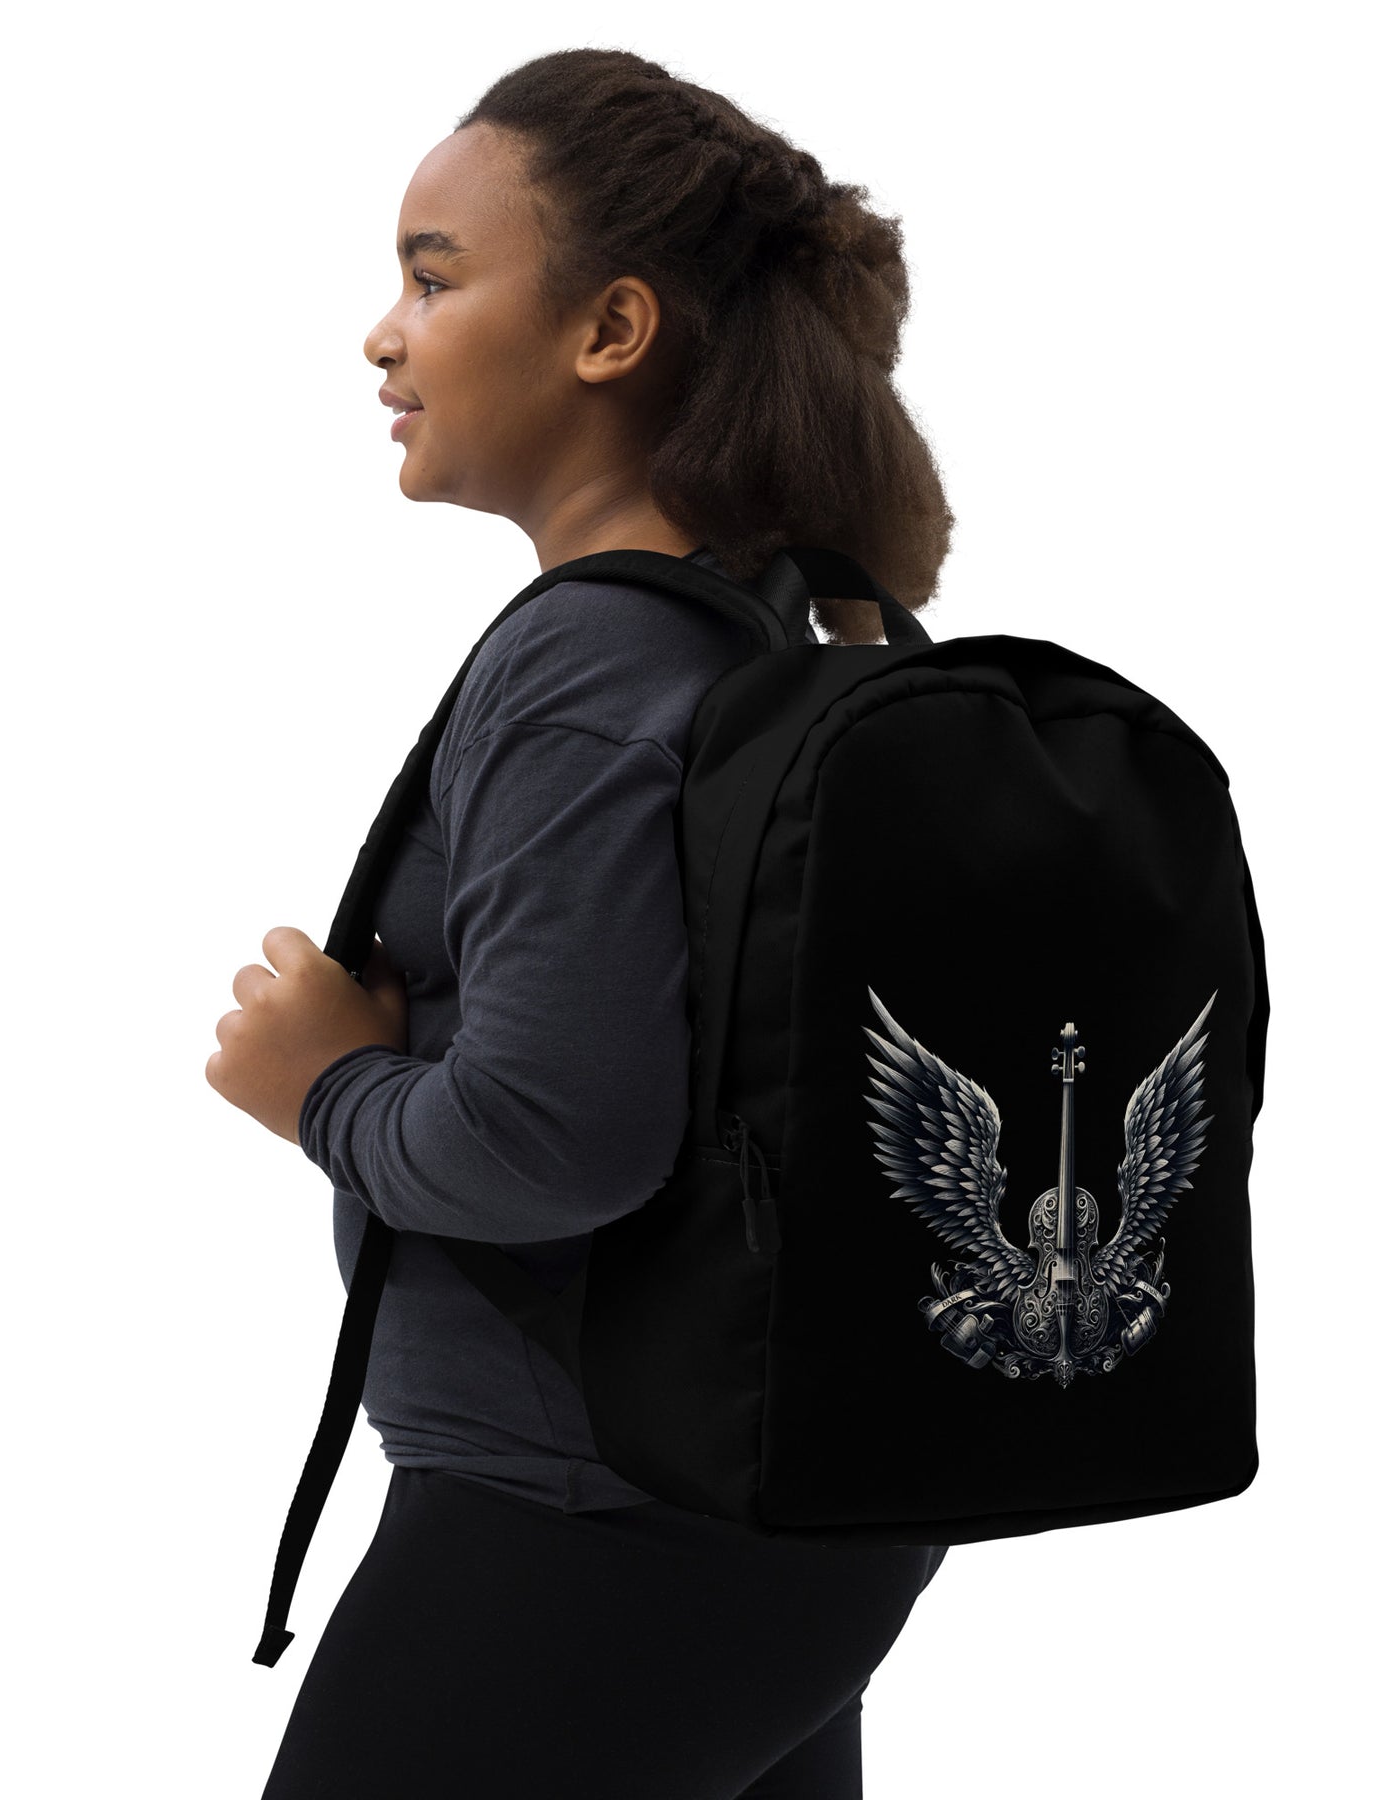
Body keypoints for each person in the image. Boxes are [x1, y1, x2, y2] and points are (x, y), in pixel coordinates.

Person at [206, 45, 957, 1800]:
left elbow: (559, 1132)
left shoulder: (587, 657)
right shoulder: (784, 638)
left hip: (571, 1528)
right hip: (791, 1512)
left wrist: (323, 1089)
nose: (383, 336)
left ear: (611, 331)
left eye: (434, 277)